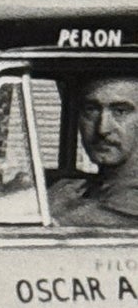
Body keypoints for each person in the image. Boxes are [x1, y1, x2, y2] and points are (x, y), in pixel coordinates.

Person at [49, 76, 138, 226]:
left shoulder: (131, 202)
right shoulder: (78, 187)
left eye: (120, 111)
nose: (102, 129)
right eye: (91, 110)